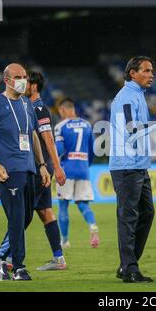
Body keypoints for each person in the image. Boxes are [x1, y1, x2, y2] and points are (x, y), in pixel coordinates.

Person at [0, 71, 68, 272]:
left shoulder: (37, 108)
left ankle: (4, 256)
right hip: (36, 167)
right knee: (44, 211)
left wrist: (56, 167)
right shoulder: (25, 107)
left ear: (32, 86)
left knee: (20, 215)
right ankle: (58, 258)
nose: (21, 84)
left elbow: (48, 138)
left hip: (35, 168)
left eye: (25, 81)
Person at [0, 63, 51, 281]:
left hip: (29, 169)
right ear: (7, 80)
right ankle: (19, 267)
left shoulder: (27, 104)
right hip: (7, 172)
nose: (23, 80)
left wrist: (42, 165)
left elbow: (33, 136)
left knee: (26, 217)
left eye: (25, 77)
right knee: (17, 218)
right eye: (18, 77)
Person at [110, 56, 156, 283]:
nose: (151, 74)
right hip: (126, 167)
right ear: (133, 73)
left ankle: (128, 263)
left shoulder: (136, 96)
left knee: (147, 213)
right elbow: (130, 129)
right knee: (128, 217)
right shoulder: (127, 97)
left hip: (138, 165)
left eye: (152, 71)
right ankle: (129, 268)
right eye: (146, 70)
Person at [54, 98, 99, 249]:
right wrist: (86, 165)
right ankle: (92, 226)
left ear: (63, 110)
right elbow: (93, 150)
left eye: (60, 111)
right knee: (83, 204)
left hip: (67, 169)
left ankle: (65, 241)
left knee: (63, 205)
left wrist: (55, 164)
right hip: (83, 169)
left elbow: (59, 150)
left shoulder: (60, 126)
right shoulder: (87, 125)